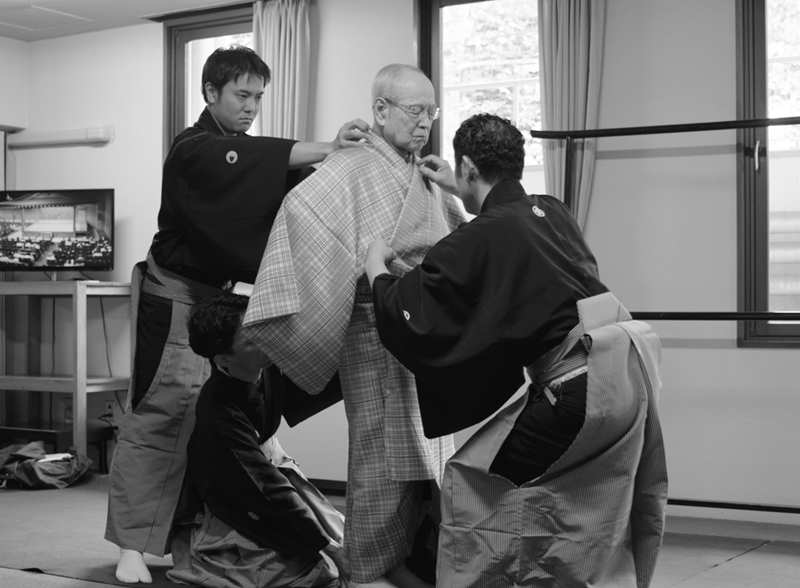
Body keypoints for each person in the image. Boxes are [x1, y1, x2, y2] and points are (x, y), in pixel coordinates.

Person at [364, 114, 668, 588]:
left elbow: (415, 317)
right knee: (583, 499)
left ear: (468, 166)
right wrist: (460, 189)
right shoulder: (553, 210)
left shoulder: (482, 235)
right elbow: (509, 238)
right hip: (629, 372)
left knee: (471, 483)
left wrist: (377, 271)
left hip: (577, 385)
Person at [105, 45, 369, 584]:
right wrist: (326, 146)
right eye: (241, 95)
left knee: (223, 420)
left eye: (258, 98)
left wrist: (344, 167)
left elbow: (286, 198)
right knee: (162, 413)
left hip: (220, 300)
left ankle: (190, 534)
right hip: (174, 295)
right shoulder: (192, 148)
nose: (251, 107)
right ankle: (131, 543)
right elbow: (243, 165)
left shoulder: (247, 155)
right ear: (210, 92)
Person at [242, 64, 466, 588]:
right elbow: (303, 213)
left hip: (424, 337)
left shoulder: (426, 173)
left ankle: (411, 559)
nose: (425, 123)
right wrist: (363, 269)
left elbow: (459, 242)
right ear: (381, 110)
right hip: (374, 330)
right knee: (380, 456)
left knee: (430, 451)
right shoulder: (350, 166)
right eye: (416, 111)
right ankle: (367, 567)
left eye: (431, 113)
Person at [164, 292, 347, 588]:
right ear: (223, 359)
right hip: (236, 493)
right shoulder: (218, 411)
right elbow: (264, 484)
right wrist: (327, 547)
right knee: (313, 567)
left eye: (262, 328)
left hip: (269, 469)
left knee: (341, 536)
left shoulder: (267, 363)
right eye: (251, 340)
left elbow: (311, 386)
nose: (266, 340)